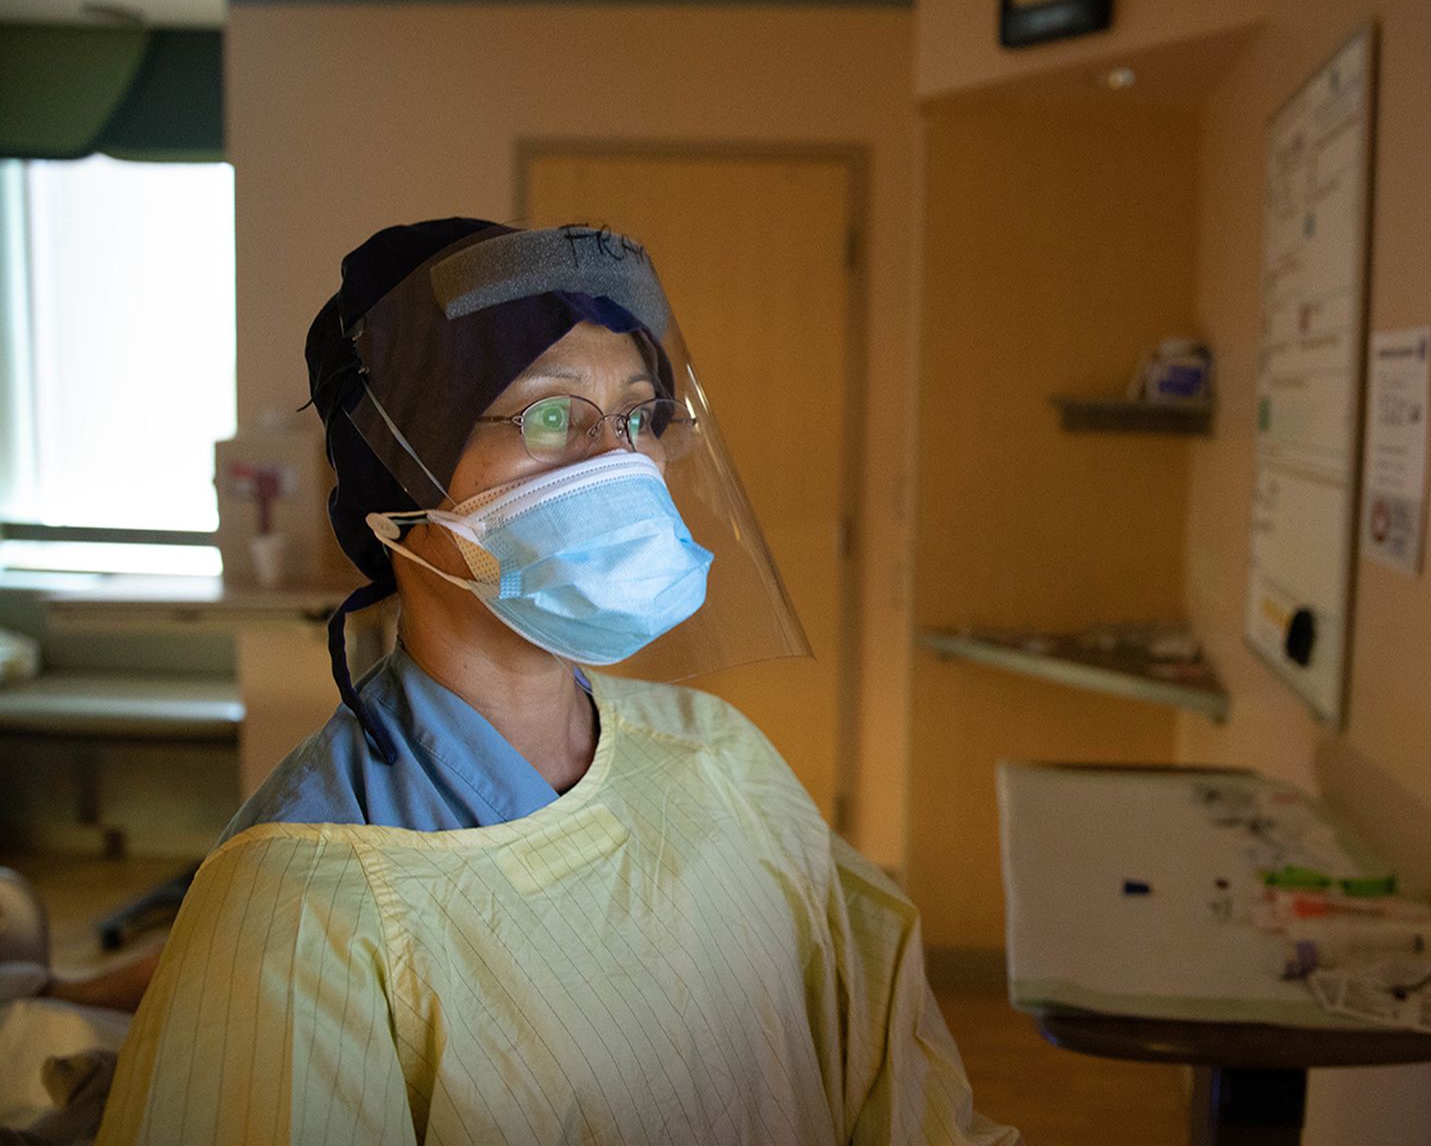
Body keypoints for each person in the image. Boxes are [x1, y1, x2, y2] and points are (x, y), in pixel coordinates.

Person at [95, 219, 1017, 1145]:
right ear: (396, 475)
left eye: (640, 416)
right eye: (549, 415)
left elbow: (899, 1087)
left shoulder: (722, 757)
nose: (620, 462)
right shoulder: (299, 900)